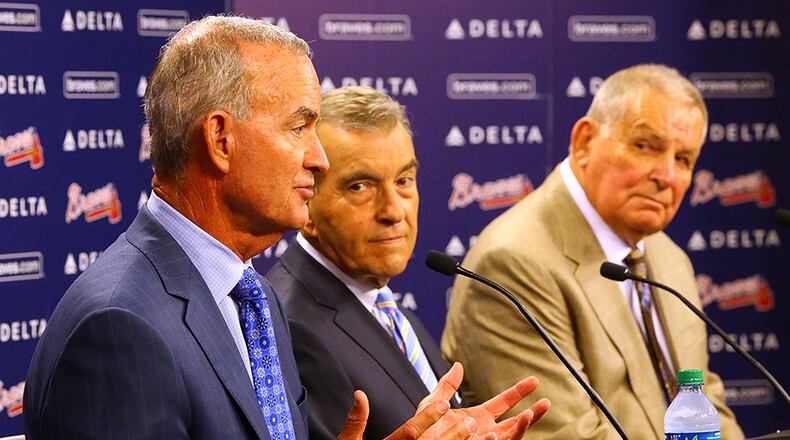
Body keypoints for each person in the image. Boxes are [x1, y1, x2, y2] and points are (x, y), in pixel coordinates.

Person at [22, 16, 537, 440]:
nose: (318, 158)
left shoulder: (252, 297)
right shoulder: (121, 325)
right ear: (221, 139)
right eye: (299, 127)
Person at [441, 64, 744, 439]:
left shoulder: (668, 258)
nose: (666, 176)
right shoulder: (513, 264)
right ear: (584, 141)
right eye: (645, 146)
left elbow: (707, 407)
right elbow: (566, 435)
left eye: (683, 159)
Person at [267, 86, 551, 439]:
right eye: (360, 186)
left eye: (403, 181)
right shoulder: (289, 325)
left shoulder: (382, 306)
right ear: (307, 201)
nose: (394, 211)